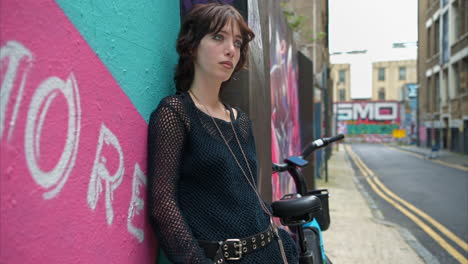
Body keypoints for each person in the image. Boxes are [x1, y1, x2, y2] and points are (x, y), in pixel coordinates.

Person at [147, 3, 298, 264]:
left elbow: (247, 197)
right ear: (192, 45)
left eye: (238, 43)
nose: (231, 49)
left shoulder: (241, 121)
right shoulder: (176, 114)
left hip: (273, 251)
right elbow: (163, 205)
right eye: (218, 37)